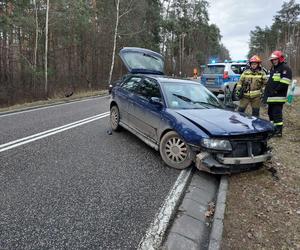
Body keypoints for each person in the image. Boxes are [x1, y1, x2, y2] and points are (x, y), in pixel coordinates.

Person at [264, 50, 292, 137]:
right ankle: (273, 128)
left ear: (280, 59)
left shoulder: (285, 68)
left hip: (278, 97)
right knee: (270, 113)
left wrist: (275, 90)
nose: (274, 61)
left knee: (277, 114)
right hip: (271, 96)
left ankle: (279, 131)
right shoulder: (273, 68)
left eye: (275, 59)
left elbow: (285, 83)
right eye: (273, 60)